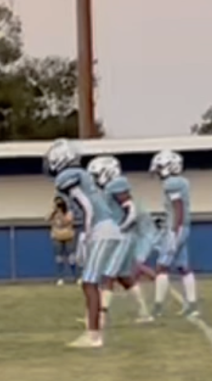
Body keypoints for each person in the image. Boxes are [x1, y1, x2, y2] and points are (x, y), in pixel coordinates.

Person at [48, 139, 115, 349]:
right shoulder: (83, 175)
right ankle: (94, 328)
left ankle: (94, 335)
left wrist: (87, 233)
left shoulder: (68, 177)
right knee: (94, 281)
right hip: (106, 226)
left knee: (90, 282)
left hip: (99, 227)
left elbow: (87, 206)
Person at [91, 156, 154, 325]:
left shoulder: (117, 184)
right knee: (124, 277)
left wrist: (120, 228)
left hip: (121, 236)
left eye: (97, 175)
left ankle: (101, 316)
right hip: (119, 235)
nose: (96, 179)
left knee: (107, 275)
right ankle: (144, 313)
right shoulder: (108, 189)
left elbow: (131, 209)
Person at [150, 149, 200, 317]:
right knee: (183, 267)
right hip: (181, 226)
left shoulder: (172, 183)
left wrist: (173, 230)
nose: (157, 171)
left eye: (159, 167)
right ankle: (192, 306)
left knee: (161, 266)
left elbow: (178, 207)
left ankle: (157, 308)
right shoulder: (181, 182)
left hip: (177, 228)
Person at [49, 197, 77, 284]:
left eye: (60, 205)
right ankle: (60, 277)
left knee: (71, 257)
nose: (58, 206)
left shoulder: (69, 213)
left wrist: (61, 213)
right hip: (57, 237)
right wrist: (53, 212)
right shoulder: (54, 213)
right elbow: (47, 218)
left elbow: (66, 222)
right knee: (59, 258)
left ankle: (75, 276)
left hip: (68, 236)